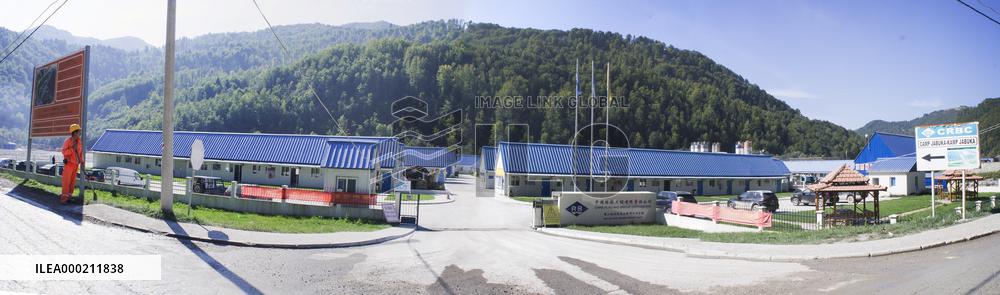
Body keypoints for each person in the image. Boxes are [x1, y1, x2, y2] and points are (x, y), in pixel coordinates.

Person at [60, 124, 83, 204]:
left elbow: (80, 153)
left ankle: (69, 197)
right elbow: (64, 151)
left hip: (76, 164)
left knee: (73, 182)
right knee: (67, 181)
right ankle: (64, 199)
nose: (80, 132)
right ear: (75, 132)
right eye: (79, 131)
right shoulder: (68, 141)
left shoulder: (79, 141)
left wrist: (82, 161)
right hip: (69, 164)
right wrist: (72, 149)